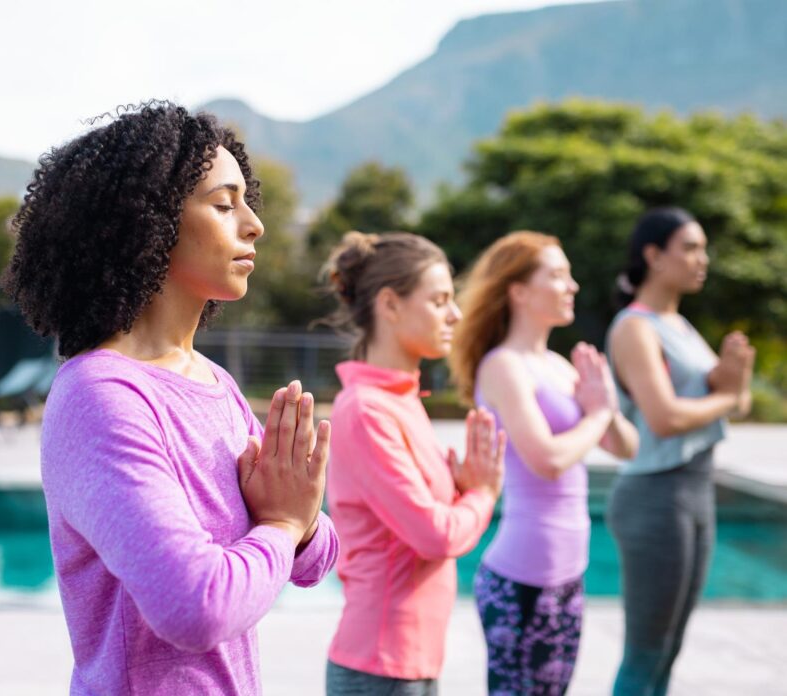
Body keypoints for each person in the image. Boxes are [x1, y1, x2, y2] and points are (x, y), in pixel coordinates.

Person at [1, 102, 339, 696]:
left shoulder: (214, 383)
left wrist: (301, 522)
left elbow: (314, 563)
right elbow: (196, 608)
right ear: (147, 220)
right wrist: (285, 524)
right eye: (224, 204)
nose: (254, 225)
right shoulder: (100, 397)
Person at [449, 231, 638, 695]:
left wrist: (606, 405)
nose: (572, 285)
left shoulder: (559, 365)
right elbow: (547, 460)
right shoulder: (503, 366)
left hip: (568, 576)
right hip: (522, 579)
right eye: (557, 275)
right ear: (518, 291)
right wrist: (597, 414)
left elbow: (626, 447)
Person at [320, 231, 506, 695]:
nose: (455, 314)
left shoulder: (401, 398)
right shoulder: (367, 410)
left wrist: (459, 487)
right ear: (390, 304)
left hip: (408, 663)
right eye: (439, 300)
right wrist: (482, 494)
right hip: (380, 666)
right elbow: (434, 536)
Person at [605, 207, 754, 695]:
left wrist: (733, 377)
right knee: (645, 652)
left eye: (703, 249)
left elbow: (734, 399)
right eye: (689, 248)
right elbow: (665, 417)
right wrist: (728, 394)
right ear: (653, 256)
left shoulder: (679, 325)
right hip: (655, 496)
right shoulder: (635, 327)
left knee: (668, 650)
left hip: (695, 490)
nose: (702, 260)